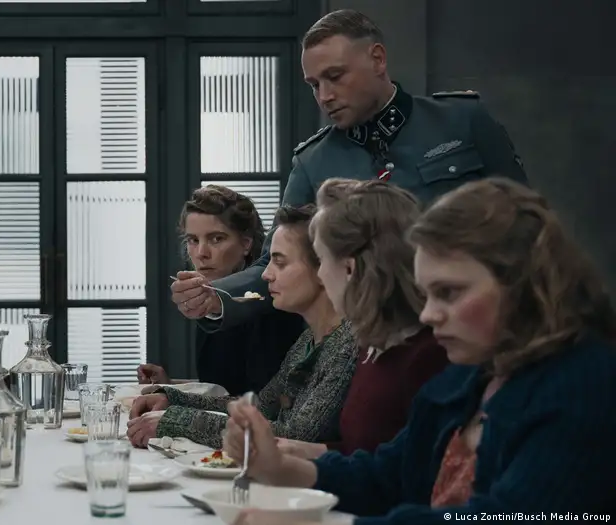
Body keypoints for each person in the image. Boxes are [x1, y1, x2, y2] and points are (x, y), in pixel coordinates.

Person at [225, 178, 616, 525]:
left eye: (449, 292)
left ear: (522, 284)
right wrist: (284, 470)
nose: (428, 314)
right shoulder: (473, 374)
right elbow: (392, 474)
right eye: (427, 294)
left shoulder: (583, 387)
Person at [171, 9, 528, 336]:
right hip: (372, 342)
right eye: (314, 85)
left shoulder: (462, 121)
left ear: (377, 59)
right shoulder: (313, 162)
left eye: (335, 76)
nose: (325, 95)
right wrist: (216, 296)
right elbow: (276, 260)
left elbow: (525, 222)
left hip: (477, 324)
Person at [126, 205, 357, 449]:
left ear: (323, 268)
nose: (265, 275)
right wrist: (172, 399)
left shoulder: (346, 344)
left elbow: (293, 436)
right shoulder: (310, 339)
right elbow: (260, 407)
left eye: (279, 262)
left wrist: (177, 421)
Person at [276, 179, 448, 460]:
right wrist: (302, 451)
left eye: (321, 259)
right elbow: (367, 452)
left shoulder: (428, 355)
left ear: (349, 269)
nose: (320, 274)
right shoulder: (374, 341)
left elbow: (412, 474)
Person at [137, 185, 304, 395]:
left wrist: (172, 396)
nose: (201, 253)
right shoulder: (210, 300)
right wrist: (171, 385)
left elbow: (262, 403)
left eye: (216, 239)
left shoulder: (268, 303)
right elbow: (221, 386)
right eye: (193, 240)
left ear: (246, 244)